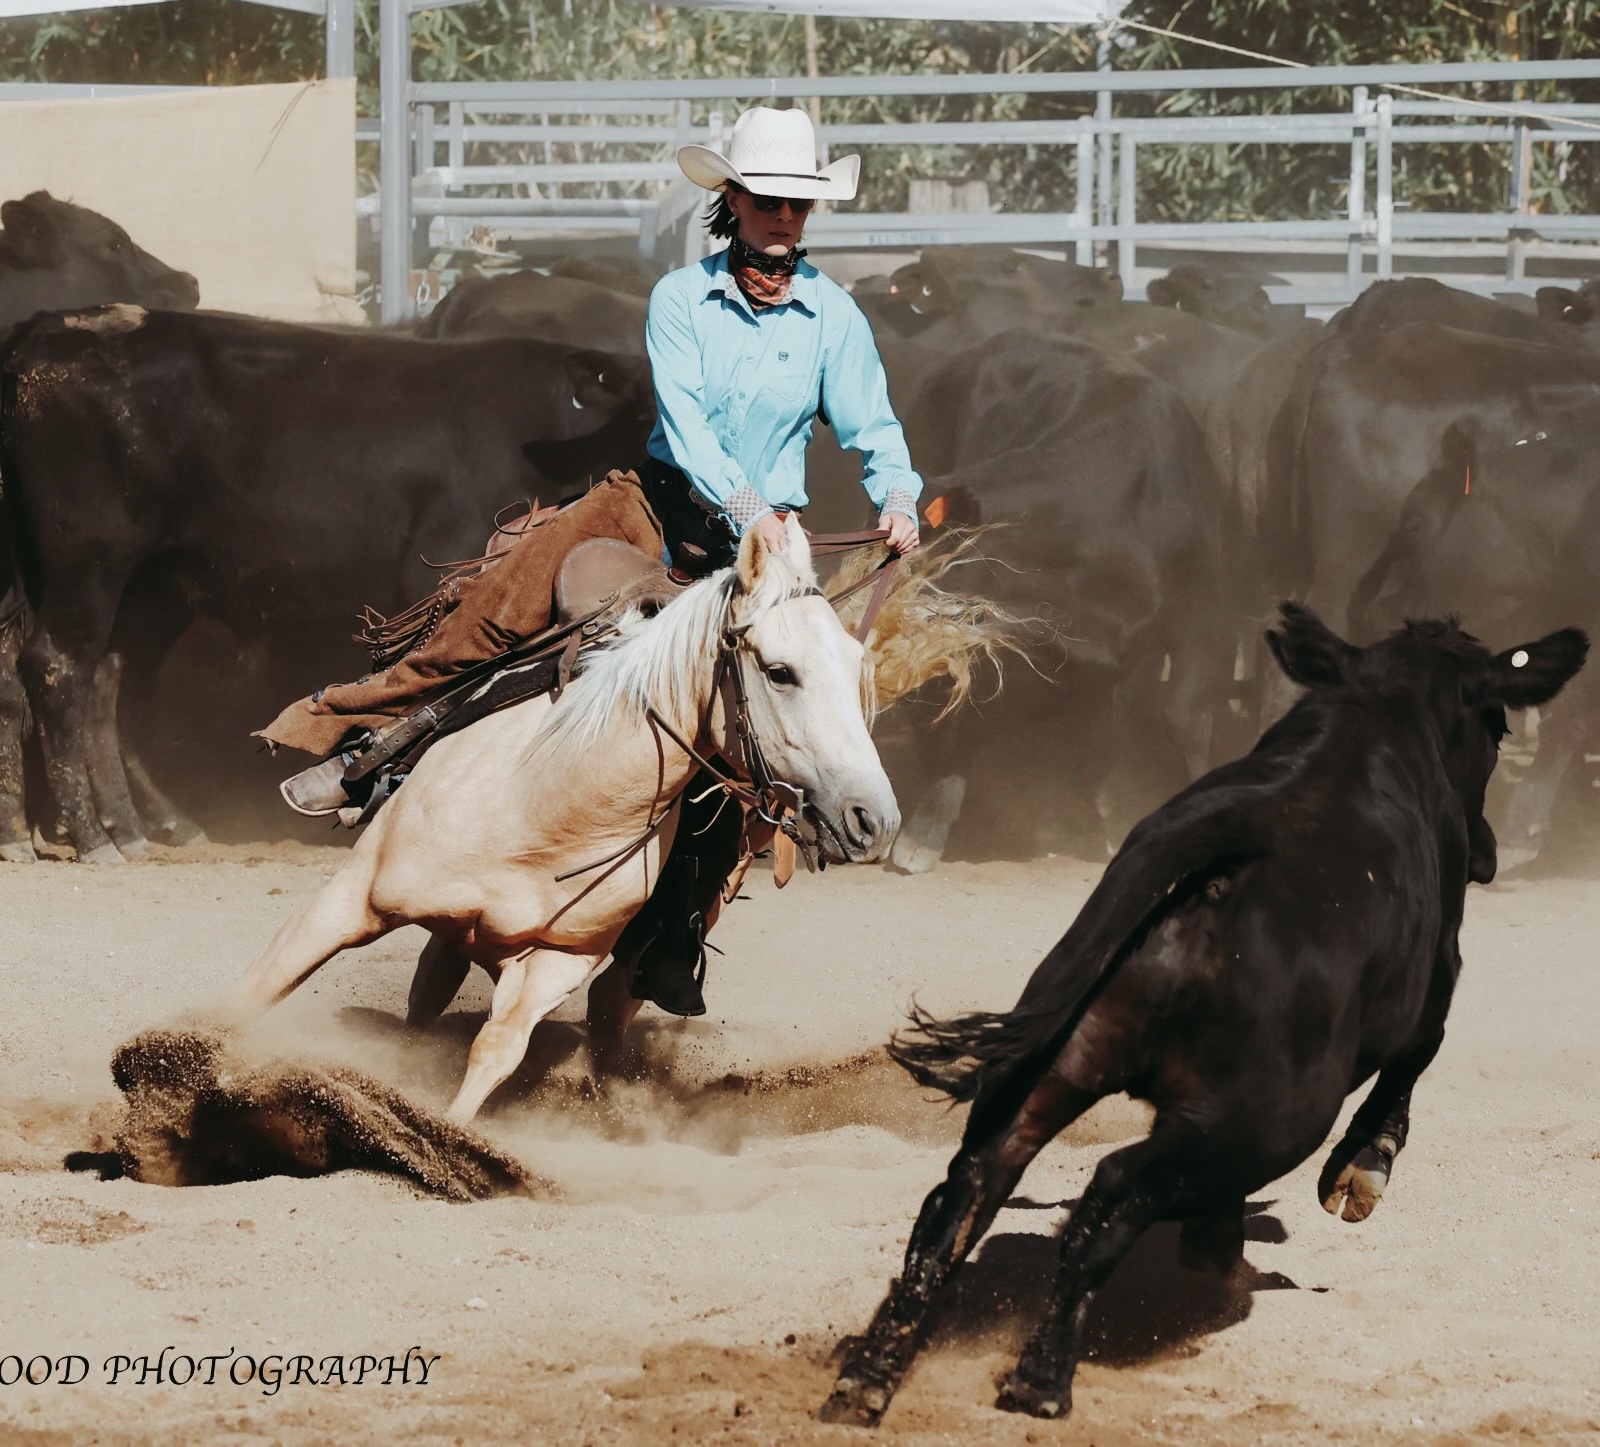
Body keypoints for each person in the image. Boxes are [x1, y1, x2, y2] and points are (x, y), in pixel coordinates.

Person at [616, 105, 926, 1018]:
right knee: (548, 598)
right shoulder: (679, 301)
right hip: (667, 513)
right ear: (735, 201)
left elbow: (873, 426)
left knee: (763, 730)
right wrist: (747, 508)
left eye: (798, 202)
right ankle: (388, 734)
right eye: (768, 200)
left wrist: (898, 495)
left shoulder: (834, 315)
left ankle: (678, 926)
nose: (785, 216)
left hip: (771, 547)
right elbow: (686, 426)